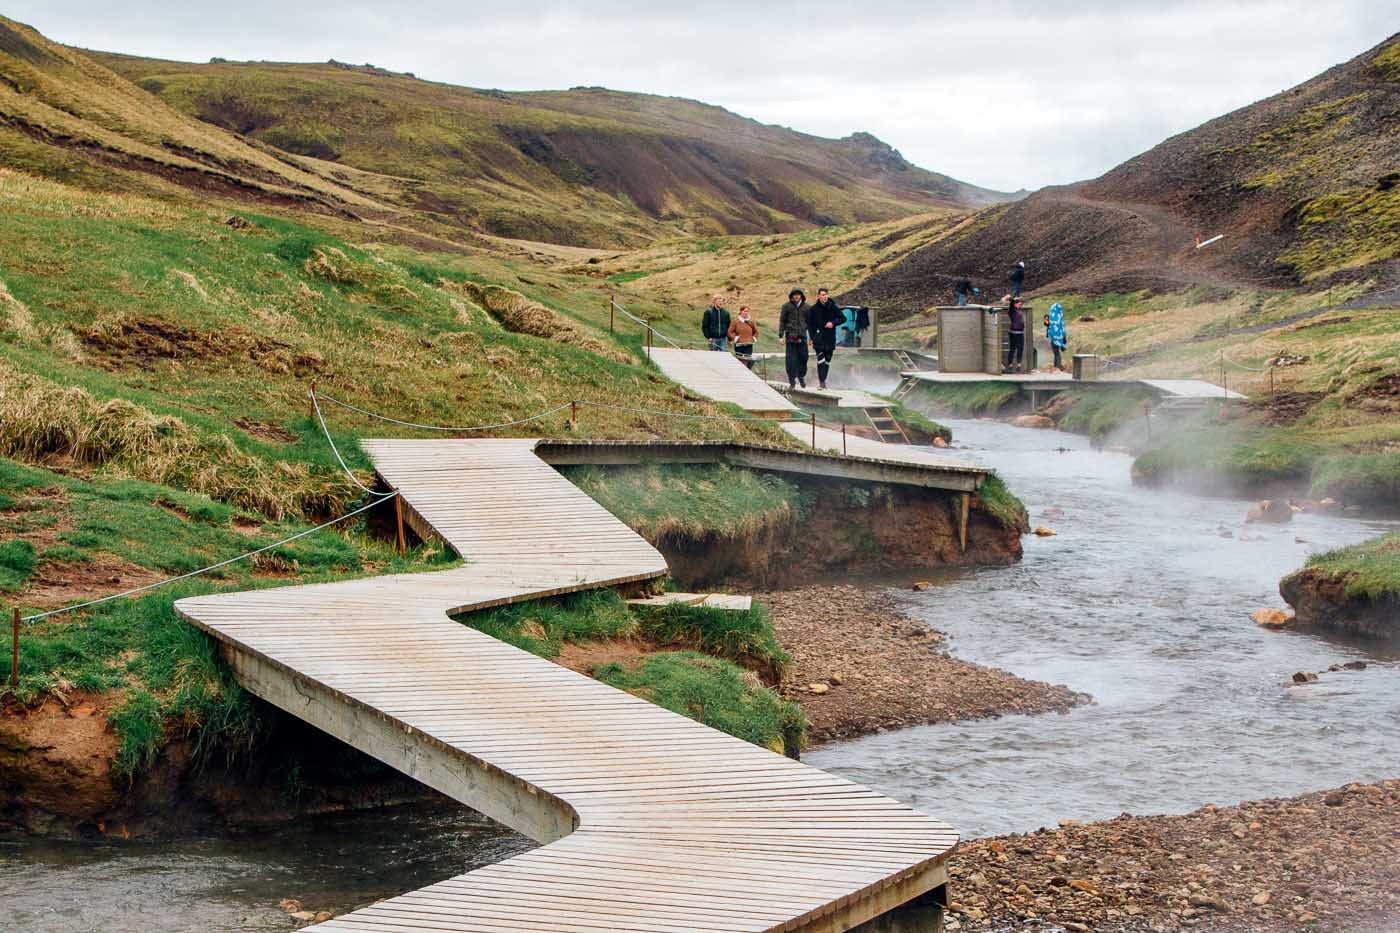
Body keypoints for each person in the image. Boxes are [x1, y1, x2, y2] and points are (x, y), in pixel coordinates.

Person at [807, 287, 843, 389]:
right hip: (818, 339)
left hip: (830, 338)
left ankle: (823, 381)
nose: (825, 296)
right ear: (818, 296)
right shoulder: (813, 309)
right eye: (822, 295)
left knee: (827, 361)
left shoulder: (833, 307)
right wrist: (812, 337)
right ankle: (821, 382)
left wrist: (833, 323)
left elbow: (842, 318)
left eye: (826, 294)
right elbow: (810, 324)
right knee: (821, 360)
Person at [778, 288, 809, 388]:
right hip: (790, 337)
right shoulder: (786, 306)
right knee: (791, 360)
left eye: (798, 294)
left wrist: (812, 337)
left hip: (803, 337)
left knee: (804, 357)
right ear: (791, 296)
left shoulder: (807, 307)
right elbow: (782, 321)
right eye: (794, 294)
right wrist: (780, 336)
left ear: (801, 296)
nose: (796, 296)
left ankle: (801, 376)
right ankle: (792, 380)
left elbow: (810, 323)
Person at [1045, 302, 1068, 371]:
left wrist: (1048, 334)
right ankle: (1057, 366)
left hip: (1053, 338)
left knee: (1056, 352)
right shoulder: (1060, 317)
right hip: (1060, 338)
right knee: (1057, 353)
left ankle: (1057, 367)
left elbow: (1048, 327)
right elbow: (1063, 328)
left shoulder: (1051, 316)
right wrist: (1064, 338)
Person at [1005, 297, 1026, 372]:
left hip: (1019, 332)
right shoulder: (1012, 311)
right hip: (1016, 333)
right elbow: (1011, 305)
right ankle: (1011, 364)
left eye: (1020, 304)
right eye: (1019, 304)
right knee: (1014, 348)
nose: (1020, 305)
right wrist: (1012, 299)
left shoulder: (1017, 311)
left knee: (1018, 349)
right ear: (1015, 304)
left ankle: (1018, 365)